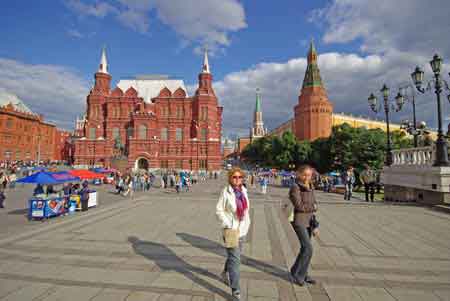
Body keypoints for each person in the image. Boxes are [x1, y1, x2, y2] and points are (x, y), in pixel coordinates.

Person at [216, 167, 251, 300]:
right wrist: (228, 224)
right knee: (236, 261)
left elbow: (246, 210)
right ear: (230, 178)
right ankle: (236, 290)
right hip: (231, 230)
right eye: (234, 177)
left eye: (240, 177)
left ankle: (224, 272)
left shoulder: (244, 191)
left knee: (234, 257)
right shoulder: (225, 192)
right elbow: (218, 210)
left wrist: (246, 223)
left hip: (242, 229)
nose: (237, 180)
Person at [288, 165, 318, 286]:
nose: (306, 177)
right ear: (299, 174)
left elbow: (315, 204)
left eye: (309, 175)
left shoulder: (311, 187)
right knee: (308, 249)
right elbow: (299, 206)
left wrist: (315, 225)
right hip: (299, 221)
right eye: (304, 174)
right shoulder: (295, 188)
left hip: (309, 222)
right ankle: (300, 276)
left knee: (304, 249)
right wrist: (313, 207)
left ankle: (296, 271)